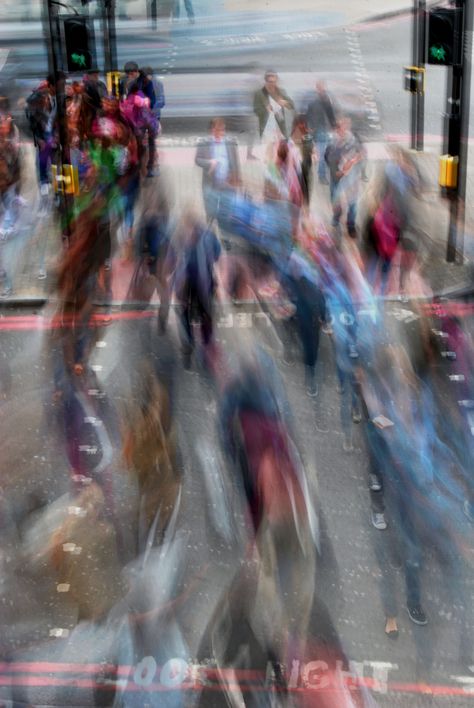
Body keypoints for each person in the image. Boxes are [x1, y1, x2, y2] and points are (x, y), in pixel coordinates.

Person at [173, 210, 221, 368]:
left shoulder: (184, 235)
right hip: (197, 283)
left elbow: (173, 259)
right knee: (202, 315)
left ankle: (193, 347)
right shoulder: (207, 236)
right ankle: (199, 349)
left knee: (192, 315)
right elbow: (217, 255)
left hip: (193, 283)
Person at [195, 117, 241, 224]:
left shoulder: (230, 143)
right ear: (212, 130)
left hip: (227, 185)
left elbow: (235, 163)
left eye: (223, 130)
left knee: (227, 213)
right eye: (219, 130)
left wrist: (237, 179)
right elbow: (197, 160)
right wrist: (210, 162)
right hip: (210, 184)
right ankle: (210, 234)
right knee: (211, 214)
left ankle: (224, 237)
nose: (222, 133)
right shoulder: (203, 143)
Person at [325, 116, 363, 241]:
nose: (342, 129)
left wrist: (350, 164)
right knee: (336, 202)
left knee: (352, 204)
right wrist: (335, 170)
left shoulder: (353, 141)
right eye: (340, 127)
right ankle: (336, 222)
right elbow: (327, 157)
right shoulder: (332, 143)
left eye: (345, 126)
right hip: (336, 178)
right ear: (337, 129)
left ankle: (350, 225)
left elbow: (360, 156)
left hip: (350, 179)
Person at [306, 80, 338, 185]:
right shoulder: (315, 102)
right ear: (317, 88)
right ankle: (322, 175)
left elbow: (333, 114)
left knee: (329, 153)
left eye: (323, 87)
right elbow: (310, 116)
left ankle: (325, 174)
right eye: (320, 87)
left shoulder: (328, 100)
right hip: (321, 131)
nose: (322, 89)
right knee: (323, 154)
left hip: (327, 130)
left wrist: (335, 127)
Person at [253, 71, 294, 143]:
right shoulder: (259, 93)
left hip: (280, 128)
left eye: (274, 82)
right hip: (266, 128)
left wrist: (285, 103)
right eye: (270, 82)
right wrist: (266, 109)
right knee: (267, 149)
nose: (272, 84)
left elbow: (291, 105)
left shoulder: (281, 92)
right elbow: (256, 110)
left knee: (281, 150)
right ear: (266, 81)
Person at [141, 67, 165, 176]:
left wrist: (150, 109)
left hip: (153, 116)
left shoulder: (157, 84)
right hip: (140, 117)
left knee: (151, 141)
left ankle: (152, 165)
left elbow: (162, 101)